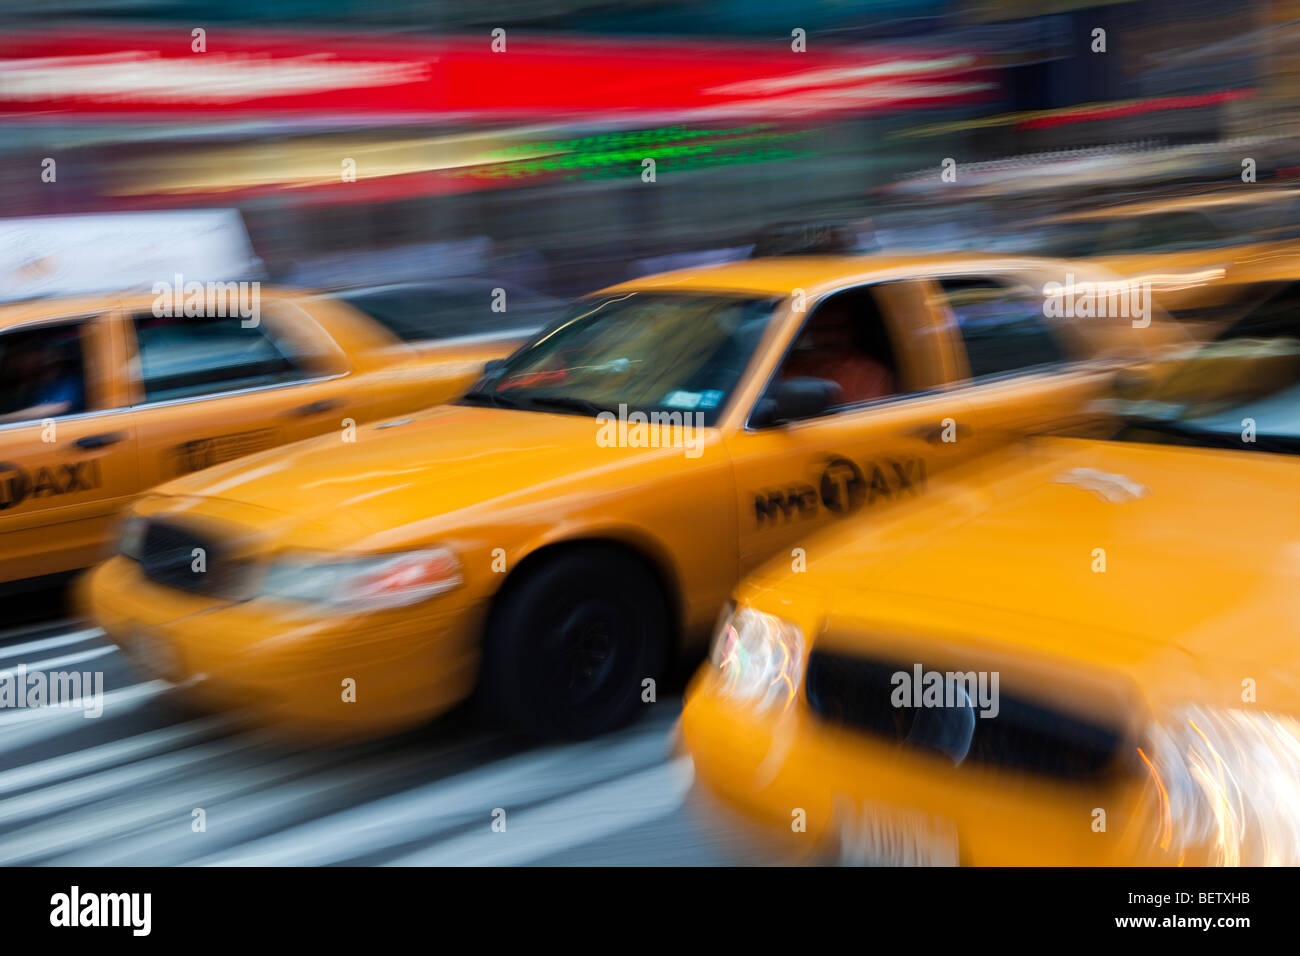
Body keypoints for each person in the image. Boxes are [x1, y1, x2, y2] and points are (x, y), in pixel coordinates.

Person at [783, 301, 894, 405]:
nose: (830, 338)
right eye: (821, 330)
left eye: (838, 329)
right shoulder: (795, 365)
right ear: (810, 332)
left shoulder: (870, 374)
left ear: (852, 331)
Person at [0, 341, 86, 425]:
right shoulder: (34, 385)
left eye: (23, 358)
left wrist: (4, 418)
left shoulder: (70, 382)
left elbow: (57, 407)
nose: (19, 364)